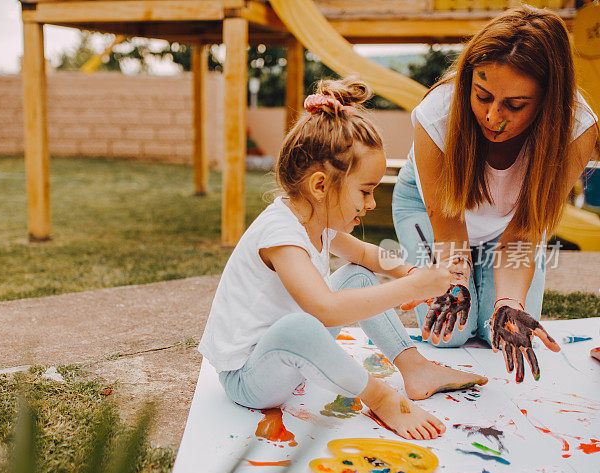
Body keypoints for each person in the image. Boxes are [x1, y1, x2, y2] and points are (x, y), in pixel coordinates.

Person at [198, 78, 487, 441]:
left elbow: (366, 254)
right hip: (250, 378)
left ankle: (415, 368)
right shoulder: (280, 234)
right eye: (365, 191)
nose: (372, 203)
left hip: (292, 357)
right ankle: (381, 398)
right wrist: (410, 287)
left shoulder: (317, 219)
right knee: (301, 326)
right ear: (320, 187)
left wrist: (411, 271)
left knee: (356, 274)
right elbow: (325, 311)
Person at [392, 5, 599, 383]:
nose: (492, 117)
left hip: (510, 231)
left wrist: (508, 302)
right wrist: (454, 283)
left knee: (502, 332)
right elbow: (450, 232)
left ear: (549, 100)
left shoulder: (576, 129)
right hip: (430, 215)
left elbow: (523, 234)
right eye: (482, 95)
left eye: (516, 105)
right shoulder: (436, 114)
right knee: (450, 333)